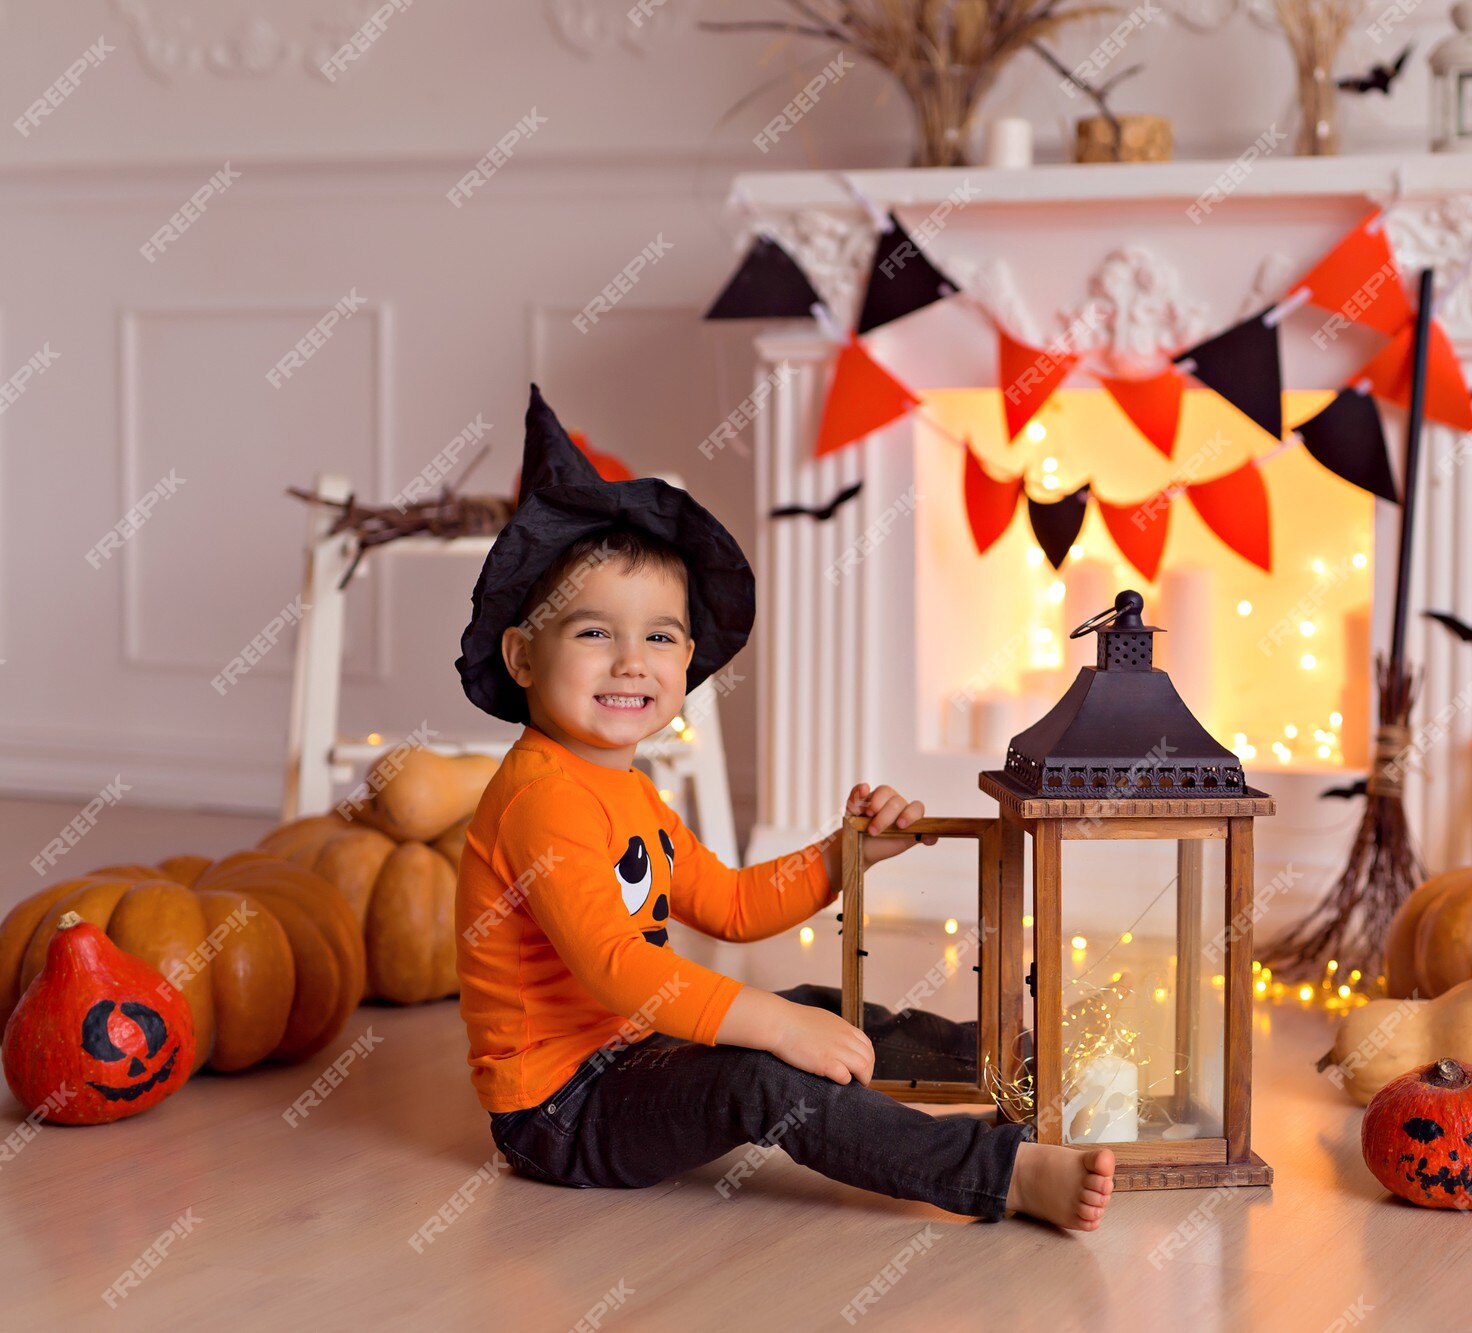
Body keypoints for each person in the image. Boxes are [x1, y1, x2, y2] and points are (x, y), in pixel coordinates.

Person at [452, 385, 1113, 1228]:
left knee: (817, 1005)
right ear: (520, 654)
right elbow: (614, 967)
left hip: (634, 1054)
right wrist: (769, 1027)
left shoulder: (626, 786)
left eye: (658, 637)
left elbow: (726, 903)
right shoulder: (541, 798)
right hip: (562, 1111)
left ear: (687, 660)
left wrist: (845, 856)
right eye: (592, 632)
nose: (630, 661)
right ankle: (1002, 1172)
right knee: (770, 1073)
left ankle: (1025, 1070)